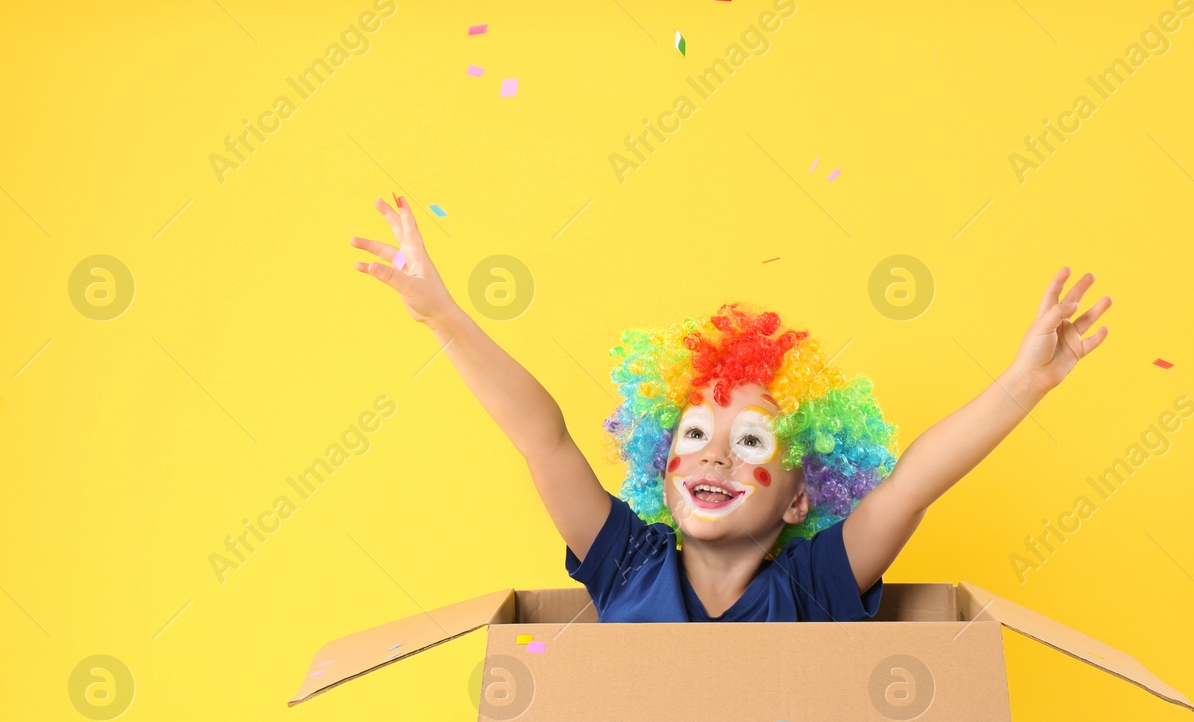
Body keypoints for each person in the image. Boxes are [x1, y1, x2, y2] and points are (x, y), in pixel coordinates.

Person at [351, 196, 1110, 622]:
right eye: (694, 433)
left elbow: (913, 482)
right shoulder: (627, 564)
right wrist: (444, 317)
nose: (715, 454)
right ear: (664, 465)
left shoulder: (813, 587)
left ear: (800, 496)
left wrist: (1023, 384)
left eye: (750, 441)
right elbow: (543, 438)